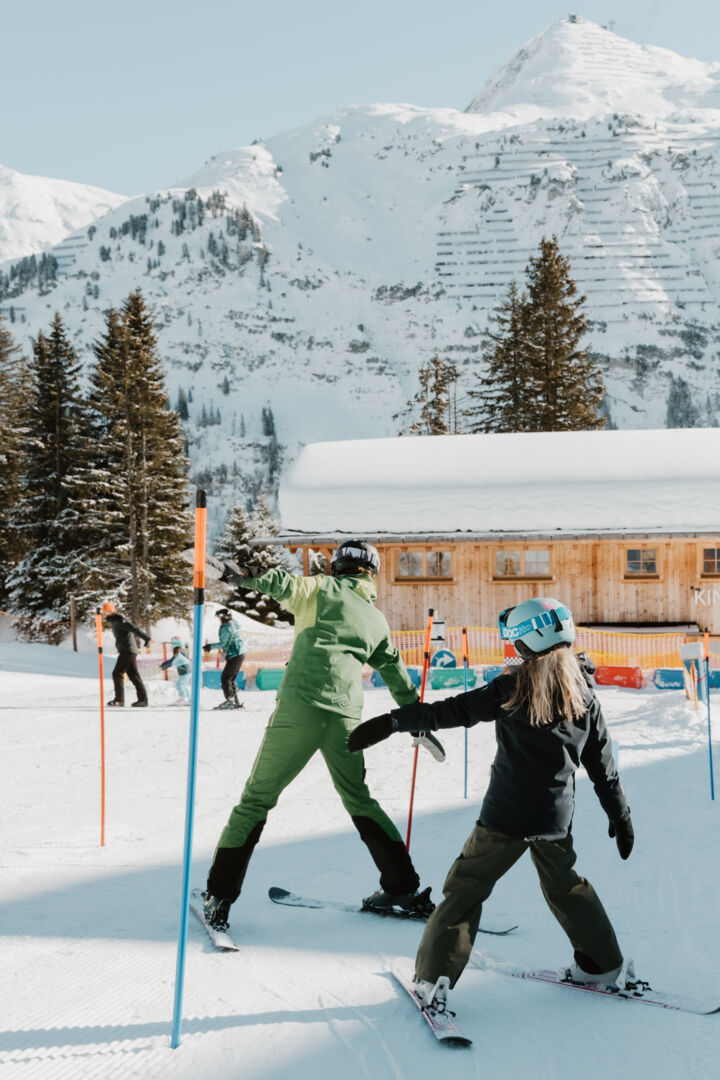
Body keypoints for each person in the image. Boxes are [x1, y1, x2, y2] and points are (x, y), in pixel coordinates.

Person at [349, 597, 636, 1012]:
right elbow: (602, 765)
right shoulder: (585, 695)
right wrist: (620, 815)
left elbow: (453, 711)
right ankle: (602, 966)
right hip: (555, 819)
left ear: (528, 644)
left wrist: (393, 721)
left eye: (516, 643)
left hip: (505, 816)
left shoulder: (512, 686)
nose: (513, 651)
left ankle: (432, 980)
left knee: (466, 888)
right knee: (566, 887)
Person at [202, 540, 444, 930]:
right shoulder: (375, 619)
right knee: (361, 800)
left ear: (338, 568)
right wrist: (416, 717)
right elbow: (397, 672)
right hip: (346, 720)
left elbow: (283, 584)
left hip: (299, 712)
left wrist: (241, 575)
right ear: (371, 573)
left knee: (255, 802)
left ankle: (220, 895)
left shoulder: (320, 589)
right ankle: (402, 888)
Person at [102, 602, 151, 708]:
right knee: (134, 676)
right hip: (128, 651)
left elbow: (134, 628)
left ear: (109, 611)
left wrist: (146, 638)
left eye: (104, 612)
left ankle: (119, 700)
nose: (103, 614)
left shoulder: (119, 620)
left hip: (128, 651)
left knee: (117, 673)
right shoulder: (114, 620)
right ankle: (143, 700)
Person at [203, 608, 246, 710]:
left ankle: (230, 700)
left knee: (226, 678)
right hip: (240, 652)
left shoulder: (225, 628)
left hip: (235, 653)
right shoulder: (233, 623)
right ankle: (235, 701)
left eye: (219, 617)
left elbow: (223, 643)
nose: (218, 619)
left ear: (222, 618)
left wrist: (210, 646)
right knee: (230, 678)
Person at [160, 639, 191, 703]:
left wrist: (163, 666)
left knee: (179, 685)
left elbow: (172, 662)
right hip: (186, 670)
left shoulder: (179, 654)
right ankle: (189, 699)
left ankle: (183, 698)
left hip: (185, 670)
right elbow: (172, 660)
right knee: (184, 685)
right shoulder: (181, 651)